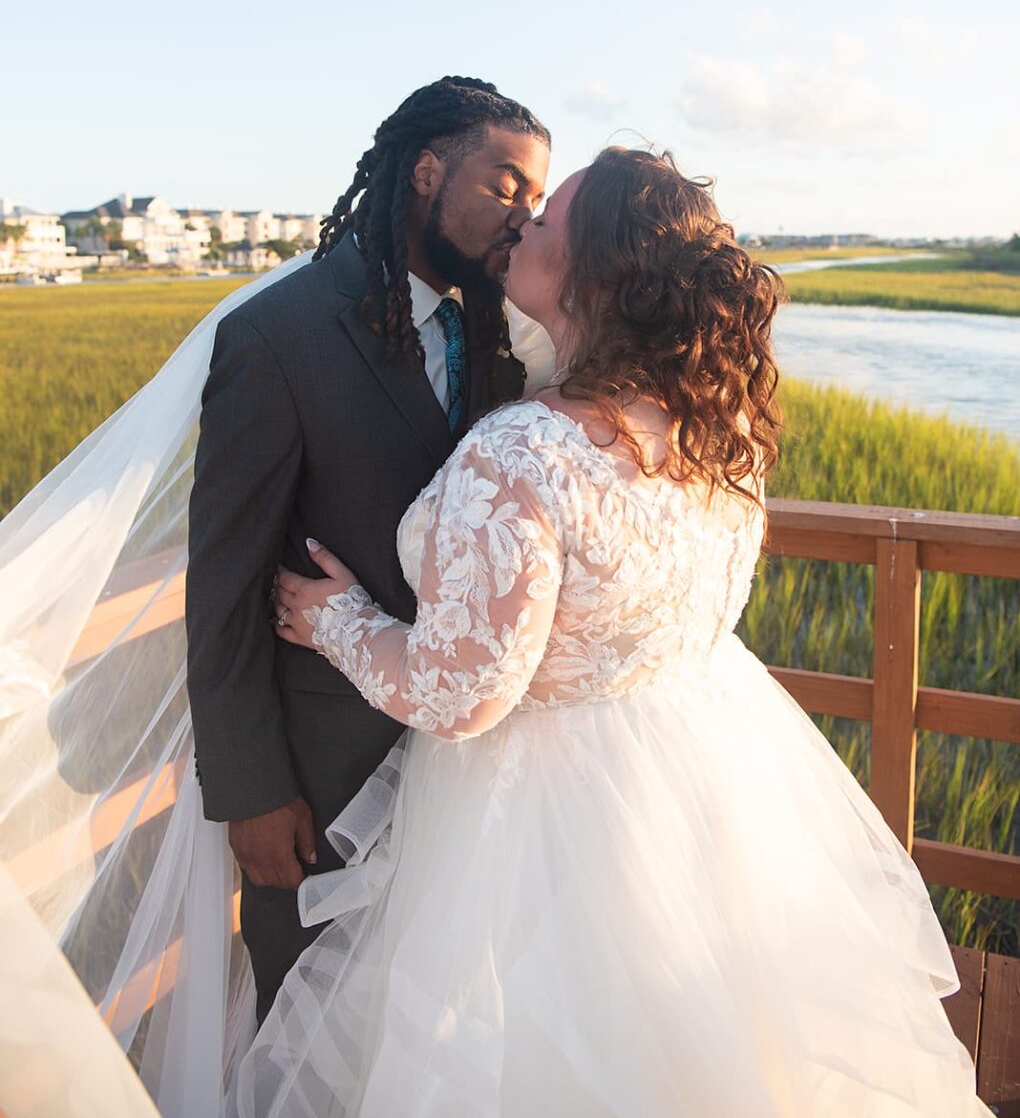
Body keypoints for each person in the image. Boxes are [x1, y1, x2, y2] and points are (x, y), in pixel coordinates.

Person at [235, 148, 987, 1115]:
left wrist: (334, 619)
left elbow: (462, 695)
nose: (525, 225)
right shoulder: (726, 427)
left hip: (537, 817)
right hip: (702, 773)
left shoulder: (520, 451)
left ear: (591, 273)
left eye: (549, 220)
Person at [185, 76, 552, 1022]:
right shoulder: (277, 334)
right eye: (506, 185)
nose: (526, 213)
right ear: (427, 172)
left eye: (539, 198)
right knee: (303, 1039)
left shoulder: (495, 332)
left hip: (465, 788)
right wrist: (251, 791)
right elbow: (223, 582)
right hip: (319, 786)